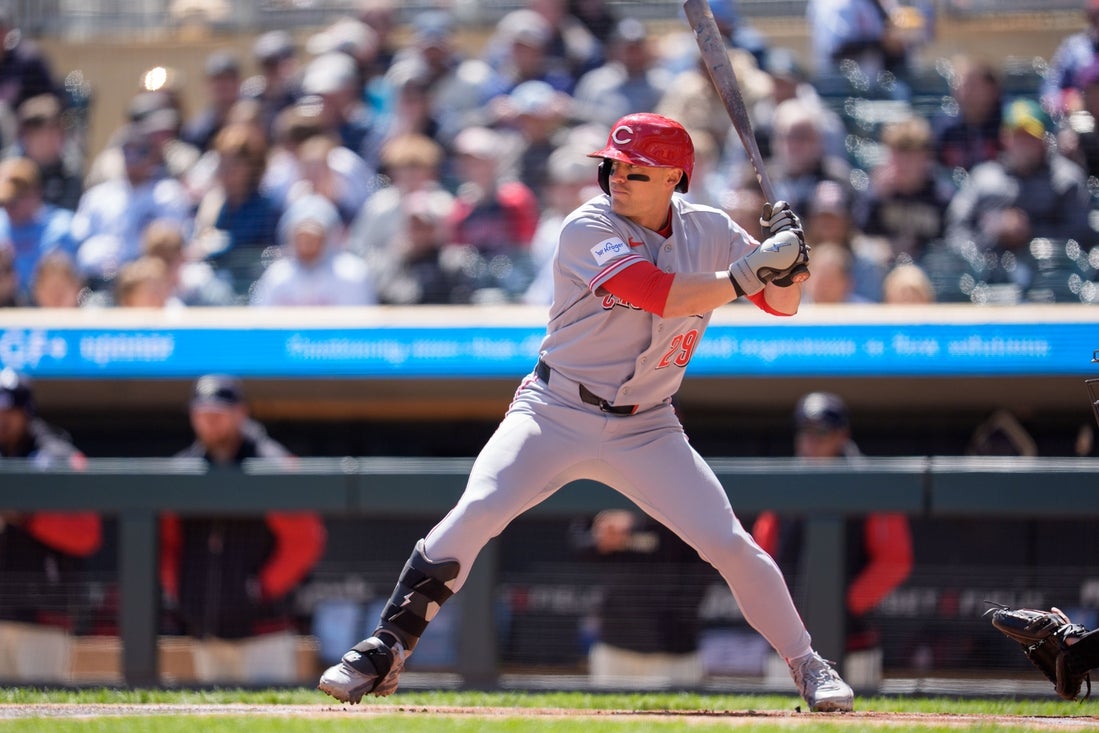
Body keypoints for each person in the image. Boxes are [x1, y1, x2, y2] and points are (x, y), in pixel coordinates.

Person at [317, 112, 855, 712]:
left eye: (635, 170)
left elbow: (783, 304)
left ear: (674, 178)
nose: (617, 177)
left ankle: (808, 663)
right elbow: (655, 292)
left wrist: (791, 262)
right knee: (478, 509)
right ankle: (385, 647)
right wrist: (749, 271)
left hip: (648, 423)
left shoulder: (711, 228)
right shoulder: (586, 225)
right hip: (555, 408)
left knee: (727, 541)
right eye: (613, 166)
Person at [160, 374, 326, 684]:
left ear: (240, 413)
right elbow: (167, 541)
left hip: (264, 631)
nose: (209, 421)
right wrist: (182, 589)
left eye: (218, 413)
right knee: (211, 712)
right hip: (205, 628)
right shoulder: (184, 469)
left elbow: (304, 542)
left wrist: (259, 589)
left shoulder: (271, 464)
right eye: (202, 413)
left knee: (272, 711)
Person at [752, 392, 913, 690]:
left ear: (842, 435)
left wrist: (842, 604)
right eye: (805, 431)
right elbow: (761, 551)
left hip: (851, 641)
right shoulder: (785, 483)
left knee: (859, 711)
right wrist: (780, 605)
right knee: (780, 711)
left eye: (821, 432)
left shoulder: (869, 485)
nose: (810, 441)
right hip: (788, 639)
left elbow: (893, 560)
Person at [0, 367, 101, 681]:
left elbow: (88, 534)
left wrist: (27, 516)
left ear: (26, 412)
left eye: (10, 412)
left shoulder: (59, 456)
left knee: (43, 702)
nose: (2, 420)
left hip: (44, 614)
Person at [570, 508, 710, 687]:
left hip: (674, 651)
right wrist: (603, 537)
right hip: (616, 647)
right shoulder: (606, 500)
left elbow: (711, 546)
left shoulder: (694, 509)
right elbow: (579, 543)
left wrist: (636, 525)